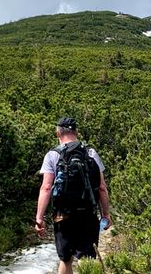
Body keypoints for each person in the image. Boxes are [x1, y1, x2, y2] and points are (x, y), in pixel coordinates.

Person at [35, 117, 112, 274]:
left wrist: (39, 218)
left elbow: (46, 187)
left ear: (58, 133)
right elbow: (102, 188)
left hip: (62, 215)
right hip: (88, 214)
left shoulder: (52, 155)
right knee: (87, 258)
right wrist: (106, 214)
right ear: (76, 132)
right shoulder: (91, 153)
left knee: (66, 258)